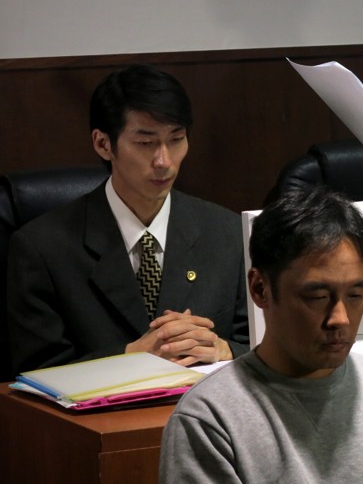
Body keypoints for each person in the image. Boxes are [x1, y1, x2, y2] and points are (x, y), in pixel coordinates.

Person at [160, 187, 363, 483]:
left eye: (355, 295)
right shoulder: (209, 419)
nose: (341, 318)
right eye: (317, 297)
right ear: (260, 289)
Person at [7, 64, 249, 373]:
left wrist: (225, 350)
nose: (164, 161)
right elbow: (35, 372)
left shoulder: (227, 232)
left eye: (176, 139)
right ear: (103, 144)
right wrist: (131, 357)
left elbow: (262, 347)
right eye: (146, 143)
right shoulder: (42, 248)